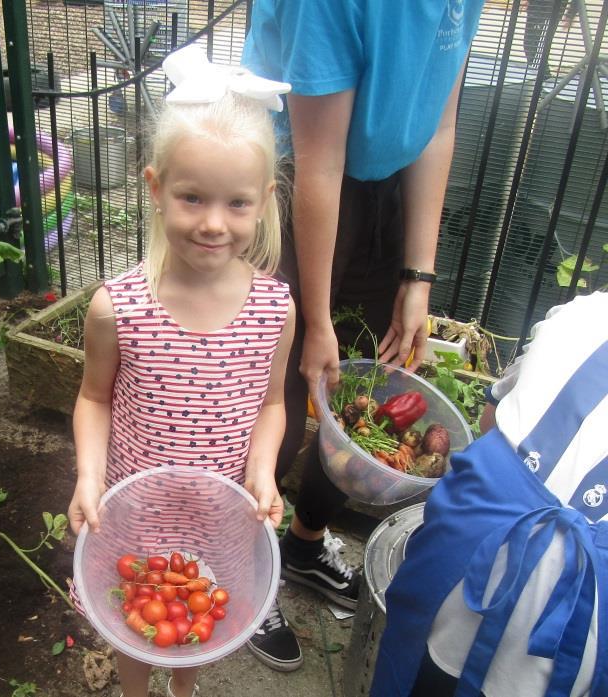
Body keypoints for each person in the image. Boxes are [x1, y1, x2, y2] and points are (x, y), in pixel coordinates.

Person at [241, 0, 485, 671]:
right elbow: (319, 163)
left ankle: (304, 539)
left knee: (366, 393)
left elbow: (439, 126)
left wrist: (417, 279)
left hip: (383, 184)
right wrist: (315, 322)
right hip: (296, 182)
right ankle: (245, 568)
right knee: (280, 395)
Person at [67, 45, 295, 697]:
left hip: (219, 512)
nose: (213, 223)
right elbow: (94, 398)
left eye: (236, 203)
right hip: (135, 511)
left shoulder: (275, 309)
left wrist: (261, 469)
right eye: (193, 197)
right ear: (156, 188)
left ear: (264, 200)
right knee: (135, 621)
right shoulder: (120, 307)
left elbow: (273, 404)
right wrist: (88, 475)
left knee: (202, 613)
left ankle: (184, 690)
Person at [374, 290, 608, 696]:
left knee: (417, 673)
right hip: (584, 610)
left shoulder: (582, 312)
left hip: (472, 542)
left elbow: (489, 419)